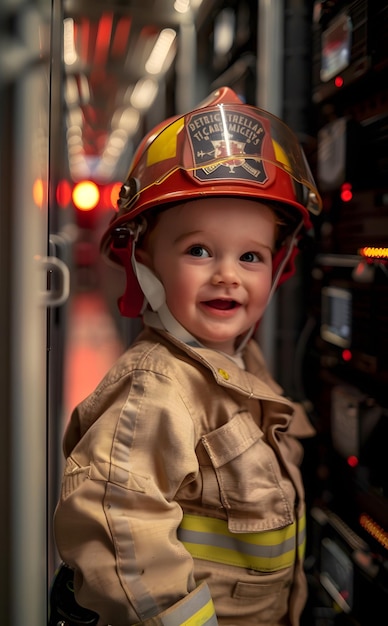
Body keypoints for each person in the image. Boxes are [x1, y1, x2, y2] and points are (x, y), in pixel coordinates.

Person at [53, 86, 322, 626]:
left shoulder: (243, 367)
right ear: (144, 259)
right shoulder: (155, 389)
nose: (227, 273)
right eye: (199, 250)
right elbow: (121, 538)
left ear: (280, 265)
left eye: (251, 255)